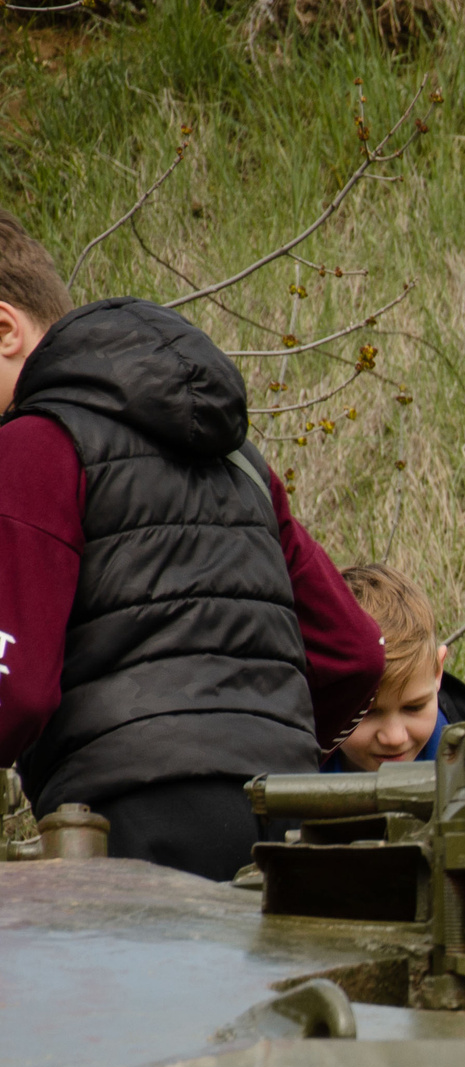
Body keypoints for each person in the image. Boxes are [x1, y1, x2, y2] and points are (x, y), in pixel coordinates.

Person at [0, 213, 380, 879]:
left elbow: (17, 691)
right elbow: (354, 654)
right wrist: (271, 747)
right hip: (286, 823)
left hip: (129, 828)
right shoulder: (242, 463)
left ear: (5, 329)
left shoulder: (32, 446)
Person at [327, 561, 465, 771]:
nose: (395, 738)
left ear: (437, 670)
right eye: (366, 714)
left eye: (414, 707)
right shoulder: (293, 764)